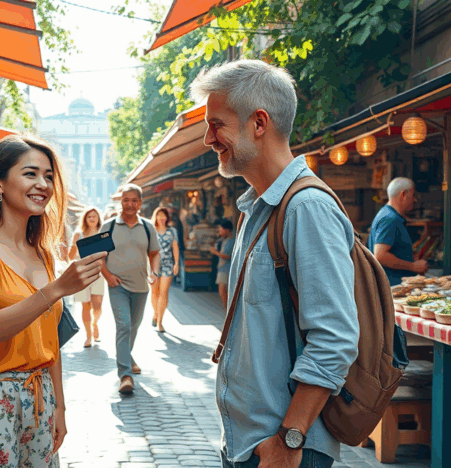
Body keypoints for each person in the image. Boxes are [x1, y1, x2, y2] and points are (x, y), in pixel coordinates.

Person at [191, 60, 359, 468]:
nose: (208, 139)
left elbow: (335, 338)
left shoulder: (306, 208)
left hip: (284, 448)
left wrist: (288, 439)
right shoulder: (259, 208)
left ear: (259, 123)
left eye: (217, 125)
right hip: (251, 442)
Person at [0, 135, 107, 468]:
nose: (43, 185)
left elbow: (50, 340)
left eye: (48, 176)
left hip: (41, 401)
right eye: (30, 174)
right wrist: (55, 290)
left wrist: (60, 406)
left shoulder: (43, 254)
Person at [99, 183, 160, 394]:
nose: (130, 204)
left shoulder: (148, 227)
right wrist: (107, 276)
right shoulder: (108, 226)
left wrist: (154, 272)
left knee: (133, 327)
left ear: (140, 203)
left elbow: (154, 254)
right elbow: (98, 256)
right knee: (124, 326)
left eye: (134, 200)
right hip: (117, 286)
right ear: (121, 202)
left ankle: (127, 356)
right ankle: (125, 375)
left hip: (141, 287)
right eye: (126, 200)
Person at [368, 177, 427, 286]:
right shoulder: (390, 219)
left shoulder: (388, 215)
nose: (415, 200)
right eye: (413, 195)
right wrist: (413, 266)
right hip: (393, 287)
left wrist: (408, 256)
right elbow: (380, 255)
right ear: (403, 194)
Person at [68, 207, 106, 347]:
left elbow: (108, 255)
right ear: (85, 219)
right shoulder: (78, 234)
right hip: (82, 274)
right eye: (89, 216)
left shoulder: (102, 234)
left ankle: (95, 324)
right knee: (85, 306)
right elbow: (71, 257)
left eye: (94, 216)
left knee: (97, 306)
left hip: (98, 274)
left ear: (98, 219)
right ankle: (88, 336)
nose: (91, 218)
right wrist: (73, 246)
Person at [149, 207, 180, 333]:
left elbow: (175, 247)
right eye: (159, 215)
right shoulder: (151, 230)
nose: (162, 218)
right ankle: (155, 313)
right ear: (155, 216)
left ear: (167, 218)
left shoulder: (172, 231)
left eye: (164, 215)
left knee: (164, 293)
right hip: (153, 265)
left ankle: (160, 322)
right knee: (154, 292)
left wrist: (176, 263)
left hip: (168, 264)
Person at [209, 218, 235, 310]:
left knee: (224, 290)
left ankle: (228, 310)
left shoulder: (231, 241)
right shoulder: (223, 239)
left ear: (227, 230)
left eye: (221, 229)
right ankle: (227, 310)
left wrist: (215, 253)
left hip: (227, 269)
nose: (220, 231)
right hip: (222, 268)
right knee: (223, 291)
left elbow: (228, 256)